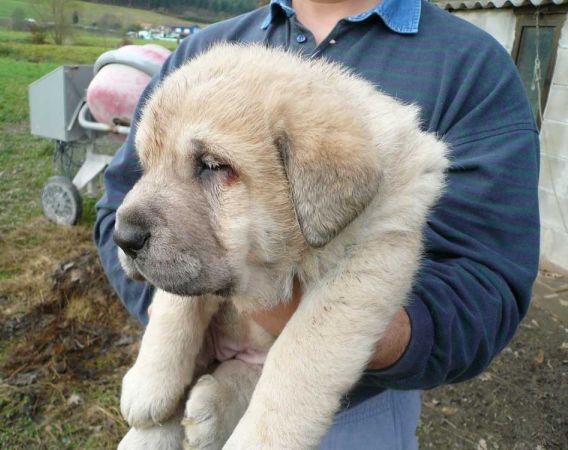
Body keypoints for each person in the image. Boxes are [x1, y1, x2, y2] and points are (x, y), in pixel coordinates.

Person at [94, 0, 540, 448]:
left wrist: (349, 327)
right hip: (194, 373)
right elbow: (120, 211)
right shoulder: (204, 49)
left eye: (212, 164)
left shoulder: (469, 66)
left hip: (358, 409)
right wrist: (174, 327)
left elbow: (486, 290)